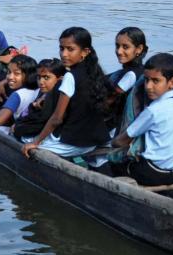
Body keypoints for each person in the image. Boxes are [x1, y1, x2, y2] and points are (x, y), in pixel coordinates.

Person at [21, 27, 110, 159]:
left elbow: (57, 118)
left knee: (24, 140)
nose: (64, 54)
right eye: (62, 48)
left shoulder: (70, 77)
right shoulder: (94, 72)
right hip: (94, 139)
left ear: (85, 52)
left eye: (70, 49)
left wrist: (36, 142)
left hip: (74, 143)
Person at [111, 53, 173, 186]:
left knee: (114, 163)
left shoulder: (153, 111)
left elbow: (122, 141)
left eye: (155, 81)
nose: (148, 86)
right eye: (146, 80)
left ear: (172, 82)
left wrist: (111, 144)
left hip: (153, 173)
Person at [106, 27, 148, 133]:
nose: (119, 51)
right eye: (117, 46)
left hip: (117, 129)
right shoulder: (138, 70)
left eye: (125, 47)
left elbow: (109, 100)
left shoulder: (131, 75)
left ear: (138, 49)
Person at [12, 58, 66, 140]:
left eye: (46, 77)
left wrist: (18, 128)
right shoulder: (43, 93)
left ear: (60, 79)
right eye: (39, 77)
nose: (41, 82)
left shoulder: (57, 99)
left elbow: (40, 124)